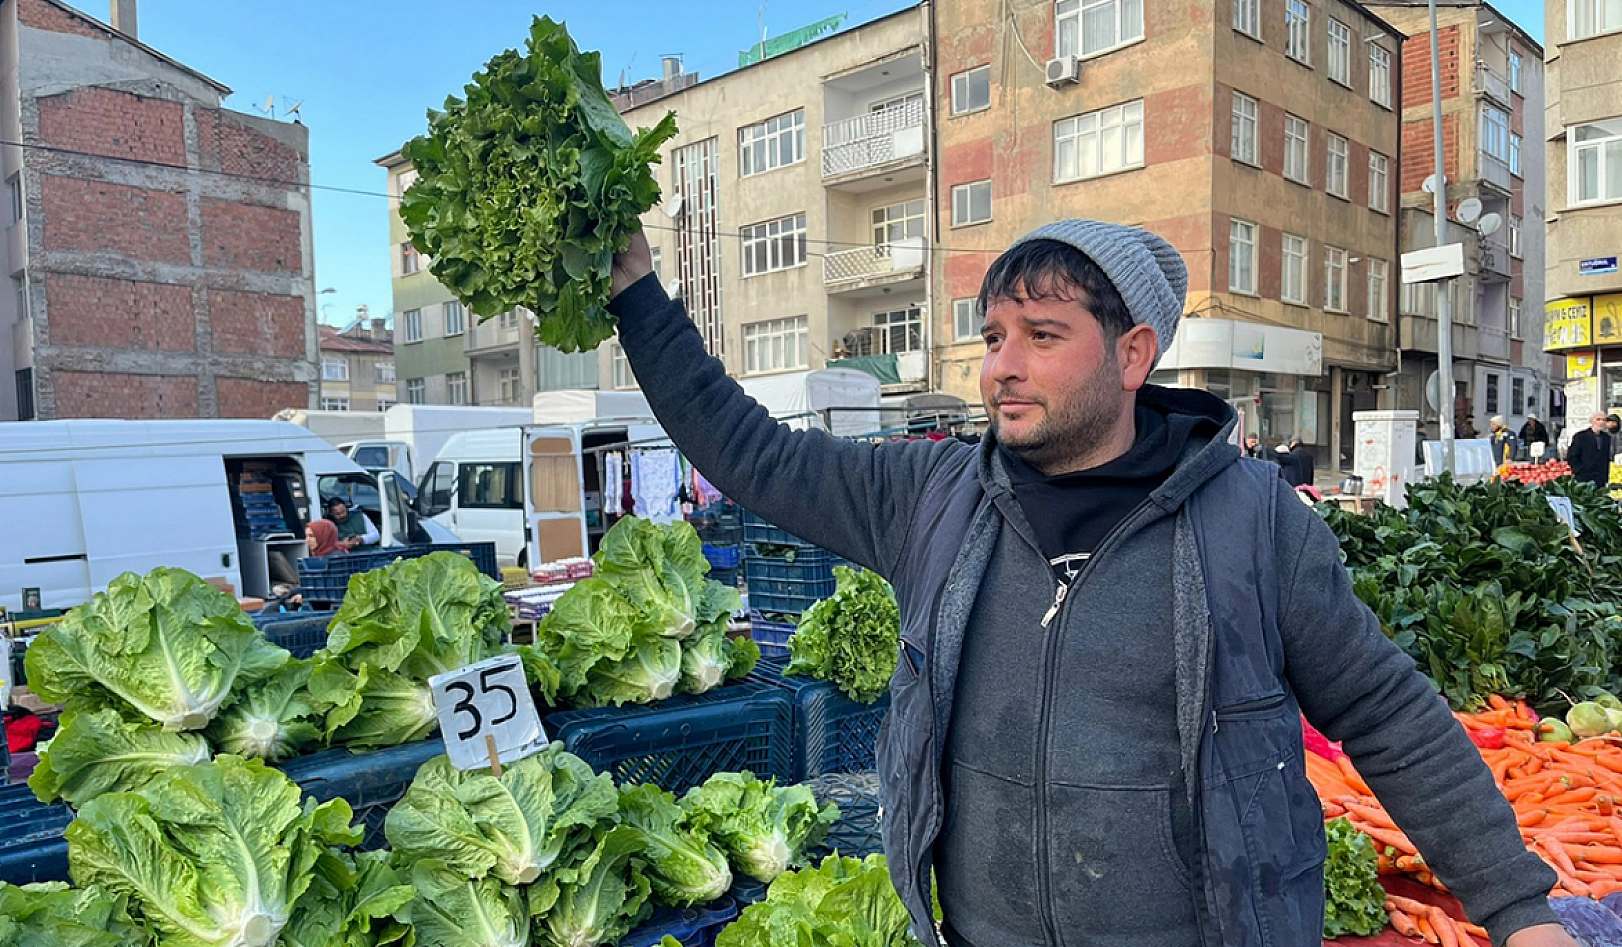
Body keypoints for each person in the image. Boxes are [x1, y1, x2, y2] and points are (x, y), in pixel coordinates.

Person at [606, 219, 1568, 947]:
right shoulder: (931, 496)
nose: (1002, 367)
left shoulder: (1254, 525)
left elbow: (1390, 715)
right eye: (994, 337)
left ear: (1133, 354)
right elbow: (752, 452)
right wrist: (638, 294)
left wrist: (1519, 910)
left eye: (1042, 335)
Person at [1568, 414, 1614, 487]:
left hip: (1600, 479)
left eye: (1604, 420)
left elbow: (1606, 457)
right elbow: (1572, 456)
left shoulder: (1606, 438)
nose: (1601, 422)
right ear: (1591, 421)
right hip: (1584, 477)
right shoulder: (1581, 436)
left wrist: (1605, 476)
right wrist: (1579, 470)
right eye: (1598, 419)